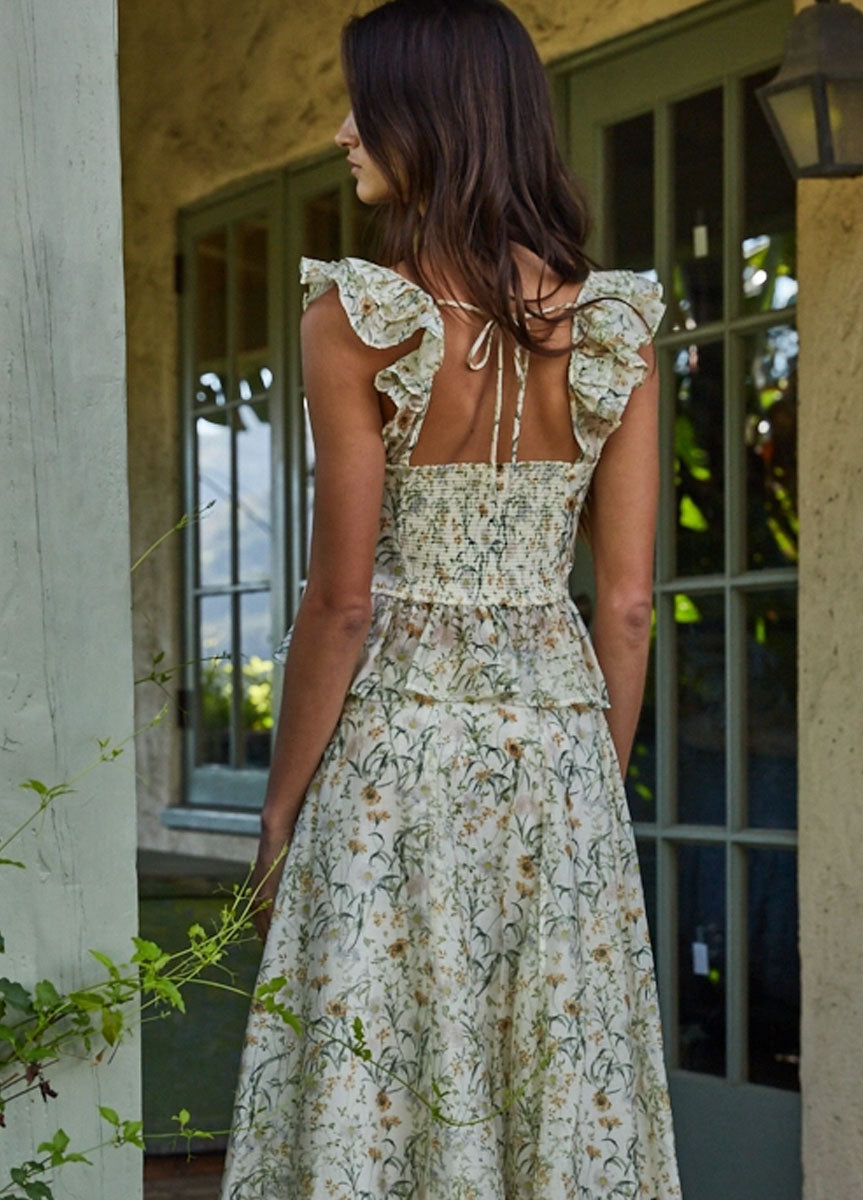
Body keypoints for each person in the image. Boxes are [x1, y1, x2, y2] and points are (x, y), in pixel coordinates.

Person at [220, 1, 681, 1197]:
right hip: (560, 762)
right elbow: (626, 606)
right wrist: (592, 779)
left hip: (391, 766)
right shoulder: (616, 327)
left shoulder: (360, 320)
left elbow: (341, 604)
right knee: (553, 1090)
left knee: (383, 1089)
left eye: (362, 106)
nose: (340, 131)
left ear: (431, 118)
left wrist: (277, 813)